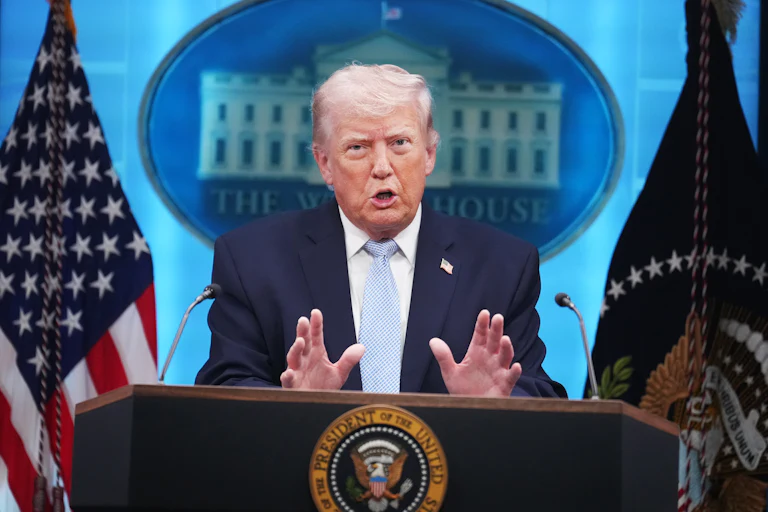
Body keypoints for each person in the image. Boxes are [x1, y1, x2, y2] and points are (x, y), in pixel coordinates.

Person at [195, 63, 566, 398]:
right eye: (358, 147)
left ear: (430, 154)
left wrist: (493, 406)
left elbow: (539, 392)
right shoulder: (252, 261)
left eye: (400, 143)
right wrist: (291, 403)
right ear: (324, 163)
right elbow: (224, 385)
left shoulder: (502, 265)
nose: (382, 167)